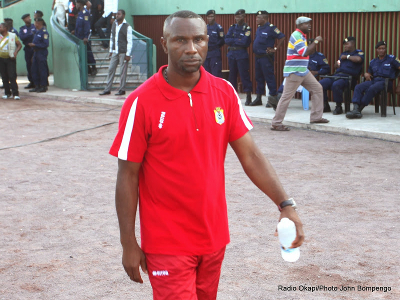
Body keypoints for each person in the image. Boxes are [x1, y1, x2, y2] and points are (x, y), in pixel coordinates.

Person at [109, 10, 304, 299]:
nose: (191, 48)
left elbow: (250, 155)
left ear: (207, 41)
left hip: (213, 237)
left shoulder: (223, 92)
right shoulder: (141, 102)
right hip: (167, 242)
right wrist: (128, 242)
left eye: (198, 39)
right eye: (180, 40)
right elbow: (128, 175)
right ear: (164, 44)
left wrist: (285, 204)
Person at [271, 16, 329, 131]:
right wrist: (316, 41)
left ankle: (316, 117)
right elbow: (304, 52)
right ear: (300, 25)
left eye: (309, 23)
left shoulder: (302, 36)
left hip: (303, 70)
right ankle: (276, 123)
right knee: (286, 97)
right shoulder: (297, 35)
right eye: (307, 24)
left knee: (317, 88)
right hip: (295, 71)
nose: (309, 25)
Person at [346, 41, 400, 119]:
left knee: (372, 88)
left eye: (383, 48)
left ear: (386, 49)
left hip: (386, 82)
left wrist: (399, 85)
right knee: (358, 87)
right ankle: (355, 108)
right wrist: (366, 74)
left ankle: (360, 109)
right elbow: (369, 73)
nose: (381, 50)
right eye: (379, 49)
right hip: (374, 81)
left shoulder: (392, 59)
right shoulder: (373, 61)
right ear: (376, 50)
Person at [276, 38, 330, 109]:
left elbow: (326, 69)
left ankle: (323, 105)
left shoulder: (319, 57)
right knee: (287, 79)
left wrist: (316, 72)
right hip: (299, 75)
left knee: (320, 86)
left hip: (311, 78)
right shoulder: (302, 55)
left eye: (310, 45)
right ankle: (277, 101)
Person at [319, 37, 364, 115]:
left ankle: (338, 106)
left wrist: (347, 57)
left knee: (336, 85)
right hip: (337, 75)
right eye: (344, 45)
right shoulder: (343, 53)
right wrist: (336, 65)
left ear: (353, 44)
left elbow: (358, 60)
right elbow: (337, 65)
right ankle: (325, 105)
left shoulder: (359, 52)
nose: (345, 46)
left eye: (347, 44)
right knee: (320, 84)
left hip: (349, 78)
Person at [250, 10, 285, 108]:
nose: (256, 19)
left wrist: (275, 49)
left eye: (258, 18)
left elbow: (282, 37)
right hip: (257, 57)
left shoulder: (271, 28)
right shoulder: (259, 28)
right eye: (256, 17)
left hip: (266, 57)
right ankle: (258, 98)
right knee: (259, 78)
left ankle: (272, 99)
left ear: (264, 18)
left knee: (269, 77)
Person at [99, 9, 131, 96]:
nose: (117, 15)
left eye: (119, 14)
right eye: (117, 14)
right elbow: (112, 37)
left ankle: (122, 89)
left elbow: (129, 41)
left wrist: (128, 54)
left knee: (122, 71)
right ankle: (107, 89)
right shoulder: (114, 24)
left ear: (123, 15)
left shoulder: (127, 26)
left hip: (123, 51)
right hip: (115, 51)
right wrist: (111, 50)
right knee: (111, 69)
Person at [225, 9, 252, 105]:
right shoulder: (232, 27)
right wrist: (237, 40)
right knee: (232, 76)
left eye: (239, 16)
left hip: (241, 54)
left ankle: (248, 96)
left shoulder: (247, 28)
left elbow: (245, 42)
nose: (237, 19)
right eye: (236, 17)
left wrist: (234, 40)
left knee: (244, 75)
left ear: (244, 17)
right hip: (232, 54)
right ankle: (233, 96)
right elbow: (226, 40)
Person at [0, 22, 22, 100]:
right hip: (1, 59)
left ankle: (15, 94)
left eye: (0, 27)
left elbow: (19, 45)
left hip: (10, 59)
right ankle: (7, 93)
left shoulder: (12, 35)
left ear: (5, 28)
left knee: (12, 76)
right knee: (4, 76)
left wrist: (16, 52)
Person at [75, 0, 97, 76]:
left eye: (77, 3)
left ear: (80, 4)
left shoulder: (85, 13)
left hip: (84, 38)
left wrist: (85, 36)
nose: (76, 5)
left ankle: (93, 67)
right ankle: (88, 69)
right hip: (79, 38)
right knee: (82, 54)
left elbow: (87, 26)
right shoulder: (79, 13)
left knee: (88, 53)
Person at [28, 18, 49, 93]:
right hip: (36, 52)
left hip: (41, 52)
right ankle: (37, 86)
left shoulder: (44, 32)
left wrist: (35, 44)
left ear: (38, 23)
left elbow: (46, 44)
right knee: (34, 69)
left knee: (42, 69)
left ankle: (43, 86)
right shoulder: (37, 32)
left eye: (35, 23)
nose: (34, 24)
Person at [203, 9, 224, 78]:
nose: (210, 18)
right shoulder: (205, 27)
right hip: (207, 54)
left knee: (215, 73)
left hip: (215, 53)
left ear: (215, 17)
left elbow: (222, 40)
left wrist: (215, 46)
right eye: (209, 17)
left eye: (212, 16)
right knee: (207, 73)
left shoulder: (218, 28)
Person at [19, 13, 36, 89]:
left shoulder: (34, 26)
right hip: (27, 49)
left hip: (35, 48)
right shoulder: (22, 28)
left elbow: (35, 35)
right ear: (24, 20)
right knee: (29, 65)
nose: (29, 18)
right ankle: (31, 82)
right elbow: (22, 37)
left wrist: (28, 35)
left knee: (35, 65)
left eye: (29, 17)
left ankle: (37, 82)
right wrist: (30, 34)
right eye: (27, 18)